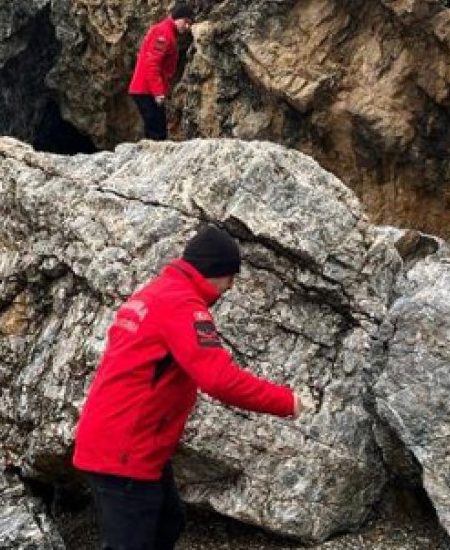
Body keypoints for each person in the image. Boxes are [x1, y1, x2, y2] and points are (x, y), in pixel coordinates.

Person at [73, 225, 300, 549]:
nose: (231, 286)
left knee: (168, 521)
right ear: (213, 270)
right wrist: (286, 401)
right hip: (124, 450)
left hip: (123, 441)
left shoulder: (156, 292)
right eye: (229, 276)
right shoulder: (183, 306)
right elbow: (219, 379)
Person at [129, 5, 195, 141]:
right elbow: (152, 63)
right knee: (157, 132)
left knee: (155, 128)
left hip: (145, 89)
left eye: (190, 23)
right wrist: (158, 92)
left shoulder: (165, 31)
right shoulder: (164, 33)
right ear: (177, 18)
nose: (187, 26)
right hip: (146, 90)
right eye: (186, 21)